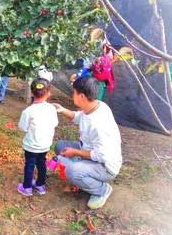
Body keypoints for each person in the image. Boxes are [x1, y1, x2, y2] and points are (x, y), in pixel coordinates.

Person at [52, 76, 122, 209]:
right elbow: (80, 117)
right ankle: (82, 175)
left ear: (82, 96)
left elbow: (102, 155)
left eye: (74, 92)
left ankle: (102, 190)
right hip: (89, 149)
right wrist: (62, 110)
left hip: (105, 165)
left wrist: (75, 152)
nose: (73, 94)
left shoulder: (99, 124)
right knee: (60, 146)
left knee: (72, 171)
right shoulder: (96, 105)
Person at [17, 78, 59, 196]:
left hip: (31, 146)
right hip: (45, 145)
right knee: (42, 164)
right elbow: (55, 123)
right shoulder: (51, 109)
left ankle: (27, 188)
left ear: (31, 92)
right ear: (48, 93)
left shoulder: (28, 111)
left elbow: (23, 127)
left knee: (29, 165)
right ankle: (40, 185)